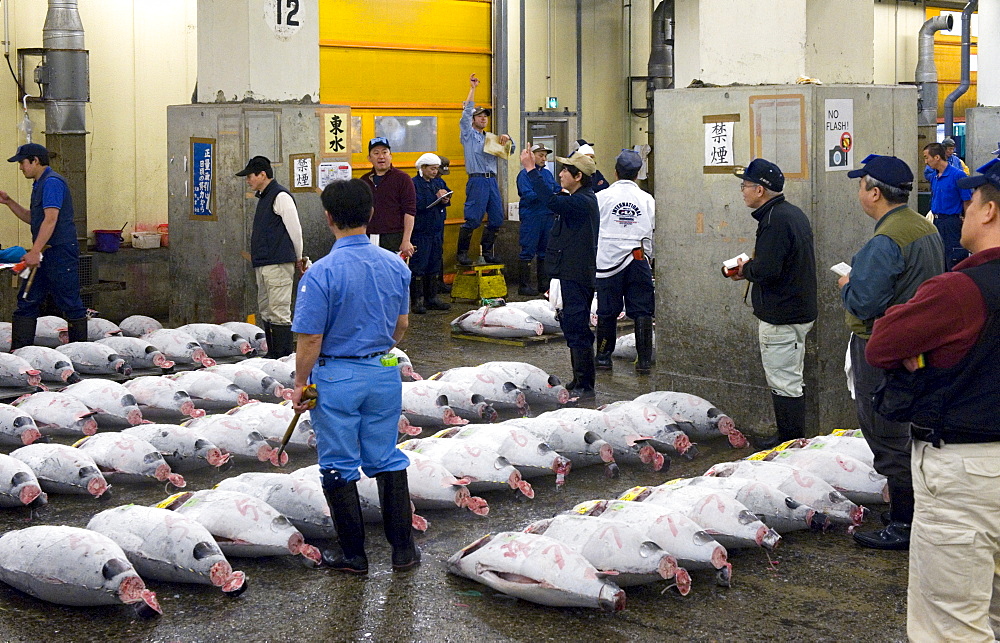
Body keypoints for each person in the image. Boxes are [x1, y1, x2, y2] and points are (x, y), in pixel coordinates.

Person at [866, 158, 1000, 641]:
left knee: (953, 625)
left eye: (970, 202)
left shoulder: (960, 289)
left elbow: (882, 343)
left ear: (989, 212)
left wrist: (919, 357)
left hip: (967, 474)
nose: (962, 212)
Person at [290, 178, 418, 575]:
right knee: (386, 456)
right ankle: (403, 551)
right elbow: (402, 325)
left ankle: (354, 555)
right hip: (383, 372)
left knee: (339, 463)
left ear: (328, 218)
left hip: (338, 376)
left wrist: (300, 382)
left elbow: (311, 337)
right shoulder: (395, 265)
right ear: (371, 214)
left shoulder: (320, 274)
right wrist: (380, 346)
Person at [839, 154, 944, 550]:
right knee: (909, 432)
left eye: (860, 185)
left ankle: (903, 524)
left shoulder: (886, 239)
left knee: (886, 434)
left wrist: (848, 284)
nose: (859, 193)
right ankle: (911, 510)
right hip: (916, 346)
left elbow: (865, 302)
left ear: (875, 192)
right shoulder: (921, 226)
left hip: (882, 347)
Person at [727, 159, 817, 447]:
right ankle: (790, 440)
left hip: (782, 316)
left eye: (745, 186)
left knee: (784, 382)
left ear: (760, 190)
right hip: (796, 310)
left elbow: (769, 270)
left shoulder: (774, 221)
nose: (742, 191)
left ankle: (789, 445)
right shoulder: (790, 214)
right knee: (789, 378)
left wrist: (745, 270)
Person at [519, 147, 599, 398]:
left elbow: (551, 200)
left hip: (577, 275)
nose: (561, 174)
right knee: (573, 325)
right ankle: (580, 378)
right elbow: (556, 198)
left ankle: (585, 382)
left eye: (566, 170)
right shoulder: (578, 198)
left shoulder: (582, 201)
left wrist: (531, 170)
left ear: (578, 177)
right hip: (571, 273)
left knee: (577, 327)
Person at [0, 143, 87, 349]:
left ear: (35, 161)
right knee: (27, 300)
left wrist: (35, 251)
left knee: (69, 302)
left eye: (22, 162)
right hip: (43, 254)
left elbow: (51, 219)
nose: (20, 167)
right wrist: (9, 202)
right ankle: (21, 351)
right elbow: (35, 219)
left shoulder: (52, 183)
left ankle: (81, 351)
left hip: (59, 252)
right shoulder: (39, 184)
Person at [235, 156, 305, 358]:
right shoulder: (265, 196)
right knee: (266, 309)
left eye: (250, 176)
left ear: (262, 174)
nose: (248, 180)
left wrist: (298, 257)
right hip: (264, 263)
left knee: (279, 311)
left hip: (278, 263)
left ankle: (284, 356)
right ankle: (273, 353)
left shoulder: (280, 196)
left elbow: (295, 229)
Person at [594, 150, 657, 374]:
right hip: (638, 259)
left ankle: (602, 358)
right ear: (638, 174)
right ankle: (644, 361)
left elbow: (593, 231)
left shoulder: (601, 197)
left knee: (607, 311)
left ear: (615, 172)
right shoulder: (647, 200)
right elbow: (652, 232)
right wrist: (648, 258)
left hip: (607, 262)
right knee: (642, 311)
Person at [457, 73, 510, 265]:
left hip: (491, 180)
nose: (483, 119)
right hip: (477, 179)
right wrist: (473, 89)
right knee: (473, 219)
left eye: (485, 116)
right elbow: (465, 113)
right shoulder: (468, 135)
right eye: (479, 116)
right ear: (473, 119)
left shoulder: (491, 137)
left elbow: (507, 150)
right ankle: (462, 253)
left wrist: (506, 137)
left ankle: (487, 251)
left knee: (496, 219)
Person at [360, 137, 416, 259]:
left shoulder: (403, 179)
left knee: (391, 274)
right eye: (376, 153)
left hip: (393, 237)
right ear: (369, 158)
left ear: (390, 156)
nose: (381, 156)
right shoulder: (363, 181)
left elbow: (409, 211)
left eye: (385, 152)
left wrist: (406, 240)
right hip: (368, 237)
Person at [410, 153, 451, 314]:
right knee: (419, 264)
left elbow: (447, 192)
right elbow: (416, 203)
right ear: (423, 168)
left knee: (434, 262)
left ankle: (431, 298)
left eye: (436, 169)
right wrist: (435, 197)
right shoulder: (413, 184)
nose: (435, 172)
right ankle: (417, 300)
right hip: (421, 231)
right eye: (432, 169)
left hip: (436, 229)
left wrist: (447, 199)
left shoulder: (438, 181)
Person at [515, 143, 558, 295]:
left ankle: (543, 284)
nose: (544, 158)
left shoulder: (547, 174)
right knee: (528, 250)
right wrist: (549, 196)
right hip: (532, 216)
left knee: (545, 250)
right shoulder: (524, 175)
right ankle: (524, 285)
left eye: (545, 156)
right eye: (541, 155)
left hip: (547, 216)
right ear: (531, 156)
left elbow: (556, 188)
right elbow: (528, 195)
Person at [923, 142, 972, 270]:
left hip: (951, 222)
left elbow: (967, 201)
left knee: (953, 257)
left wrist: (967, 221)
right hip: (936, 221)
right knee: (939, 258)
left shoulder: (958, 175)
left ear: (937, 157)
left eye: (927, 157)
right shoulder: (934, 177)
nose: (925, 162)